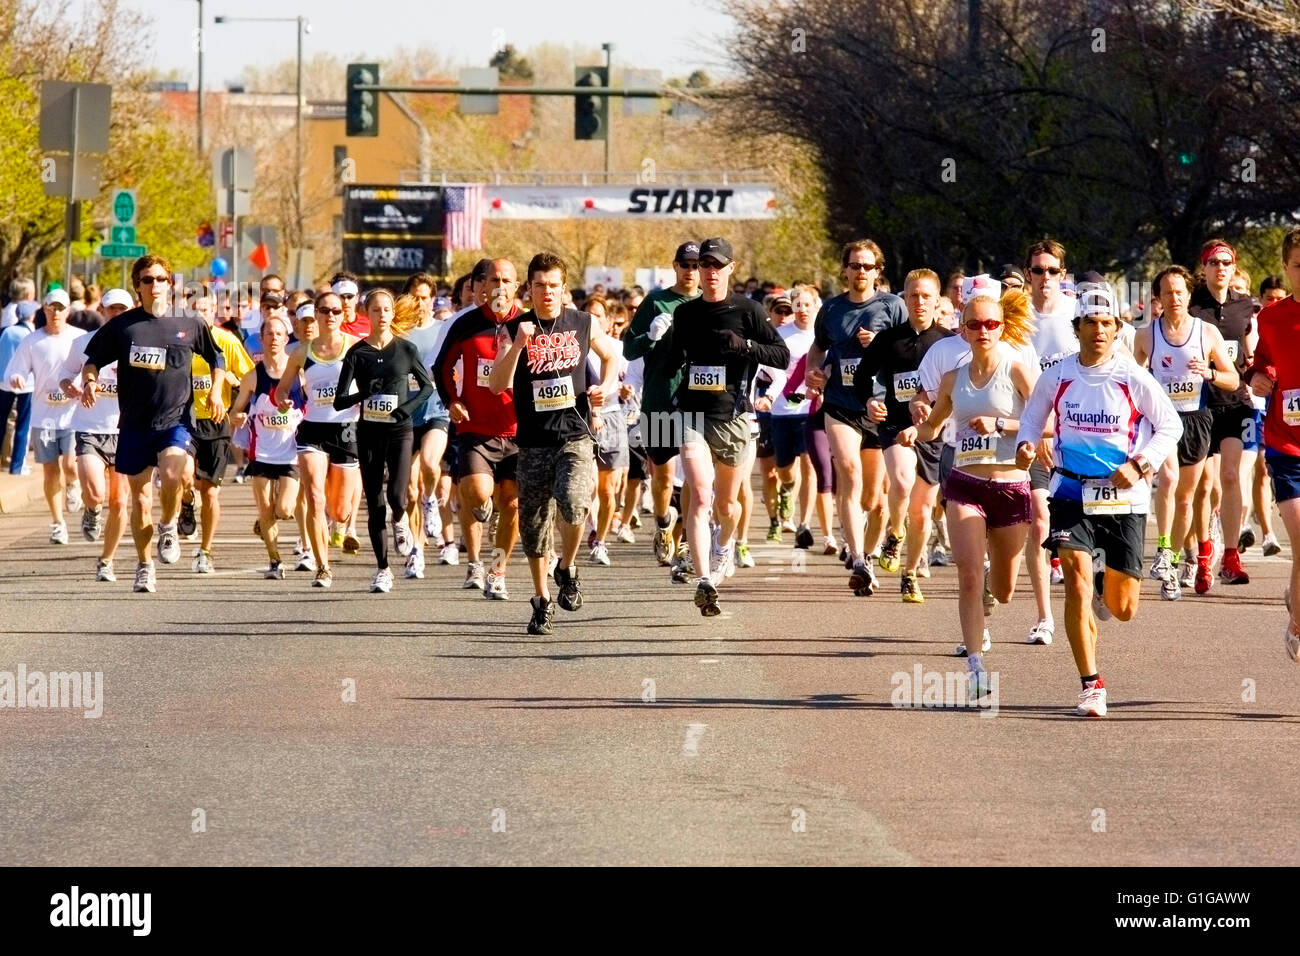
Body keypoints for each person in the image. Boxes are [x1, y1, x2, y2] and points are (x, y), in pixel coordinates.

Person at [1015, 288, 1181, 716]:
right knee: (1075, 579)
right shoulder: (1059, 375)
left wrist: (1141, 464)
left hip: (1124, 494)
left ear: (1116, 330)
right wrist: (1027, 443)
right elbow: (1033, 416)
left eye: (1108, 324)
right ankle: (1091, 684)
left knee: (1123, 609)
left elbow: (1170, 426)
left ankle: (1109, 584)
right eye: (1091, 323)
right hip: (1071, 491)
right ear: (1078, 329)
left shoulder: (1131, 376)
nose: (1100, 331)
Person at [898, 288, 1039, 694]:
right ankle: (976, 666)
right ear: (964, 329)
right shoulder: (951, 377)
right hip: (966, 484)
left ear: (1002, 328)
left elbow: (1045, 422)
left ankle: (995, 590)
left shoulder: (1016, 370)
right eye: (975, 324)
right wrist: (914, 428)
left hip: (1011, 486)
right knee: (969, 575)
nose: (983, 331)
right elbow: (934, 427)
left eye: (991, 324)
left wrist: (1003, 428)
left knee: (1005, 590)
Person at [489, 252, 621, 634]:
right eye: (539, 286)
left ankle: (567, 565)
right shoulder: (514, 327)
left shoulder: (582, 321)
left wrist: (603, 388)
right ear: (528, 289)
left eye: (553, 286)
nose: (546, 292)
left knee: (575, 501)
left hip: (575, 434)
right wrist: (517, 346)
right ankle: (542, 598)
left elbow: (611, 357)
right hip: (531, 441)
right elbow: (497, 385)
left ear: (564, 289)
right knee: (533, 527)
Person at [77, 255, 225, 593]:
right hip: (134, 425)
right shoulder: (123, 326)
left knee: (174, 473)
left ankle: (169, 524)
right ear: (137, 286)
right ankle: (145, 565)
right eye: (147, 280)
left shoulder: (189, 322)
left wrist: (216, 390)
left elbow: (216, 356)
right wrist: (89, 382)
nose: (154, 285)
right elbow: (93, 361)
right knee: (140, 499)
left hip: (175, 420)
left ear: (170, 284)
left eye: (160, 279)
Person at [663, 237, 790, 616]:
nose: (711, 272)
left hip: (734, 419)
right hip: (692, 415)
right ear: (698, 270)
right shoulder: (685, 314)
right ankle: (704, 581)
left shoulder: (748, 310)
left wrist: (745, 346)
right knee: (701, 496)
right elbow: (672, 363)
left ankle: (724, 547)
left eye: (718, 266)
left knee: (727, 504)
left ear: (730, 269)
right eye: (705, 265)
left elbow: (781, 356)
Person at [805, 240, 908, 595]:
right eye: (854, 265)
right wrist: (814, 373)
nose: (860, 272)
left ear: (878, 270)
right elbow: (817, 346)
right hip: (841, 404)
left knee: (876, 500)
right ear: (845, 270)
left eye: (867, 266)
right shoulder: (832, 309)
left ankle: (872, 548)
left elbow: (911, 350)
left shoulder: (893, 306)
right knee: (848, 471)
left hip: (879, 409)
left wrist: (880, 343)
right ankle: (859, 559)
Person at [1135, 265, 1238, 599]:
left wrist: (1208, 372)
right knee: (1167, 480)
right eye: (1167, 292)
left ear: (1188, 294)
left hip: (1196, 420)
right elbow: (1132, 378)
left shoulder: (1206, 333)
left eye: (1180, 291)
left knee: (1185, 499)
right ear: (1158, 297)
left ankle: (1173, 562)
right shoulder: (1146, 335)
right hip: (1162, 421)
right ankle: (1163, 549)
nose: (1175, 297)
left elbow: (1232, 379)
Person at [853, 269, 954, 603]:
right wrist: (869, 401)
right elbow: (861, 378)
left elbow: (957, 392)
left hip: (934, 430)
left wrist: (930, 417)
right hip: (895, 424)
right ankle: (895, 533)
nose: (920, 302)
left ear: (937, 300)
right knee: (900, 479)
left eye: (926, 296)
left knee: (923, 512)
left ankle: (910, 574)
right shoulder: (888, 339)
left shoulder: (947, 342)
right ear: (904, 298)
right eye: (913, 295)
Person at [433, 258, 524, 598]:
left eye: (507, 280)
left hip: (518, 431)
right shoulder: (466, 324)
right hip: (475, 429)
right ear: (481, 287)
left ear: (517, 286)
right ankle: (475, 555)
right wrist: (452, 400)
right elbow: (441, 366)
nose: (500, 286)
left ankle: (497, 570)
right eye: (493, 280)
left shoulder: (528, 326)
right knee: (477, 491)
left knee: (512, 505)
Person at [333, 289, 433, 593]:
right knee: (375, 500)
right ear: (368, 315)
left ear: (392, 313)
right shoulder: (357, 353)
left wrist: (407, 408)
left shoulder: (405, 349)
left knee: (397, 497)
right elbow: (339, 402)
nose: (382, 314)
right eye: (376, 310)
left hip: (400, 430)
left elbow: (427, 387)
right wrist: (365, 393)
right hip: (369, 432)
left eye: (387, 309)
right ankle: (383, 569)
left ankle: (400, 520)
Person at [623, 242, 702, 568]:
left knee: (695, 478)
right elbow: (629, 348)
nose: (691, 270)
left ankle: (684, 541)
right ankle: (662, 524)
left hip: (697, 401)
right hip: (659, 401)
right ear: (675, 266)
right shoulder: (656, 302)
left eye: (697, 265)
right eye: (685, 264)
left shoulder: (708, 302)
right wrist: (650, 337)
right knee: (664, 479)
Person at [274, 295, 361, 588]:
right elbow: (282, 388)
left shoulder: (355, 347)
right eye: (324, 311)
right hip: (313, 429)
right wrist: (283, 399)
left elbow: (376, 380)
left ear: (343, 315)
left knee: (339, 510)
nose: (330, 315)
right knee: (314, 496)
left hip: (346, 429)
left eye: (336, 310)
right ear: (316, 316)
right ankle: (322, 566)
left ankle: (341, 523)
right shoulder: (301, 352)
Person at [1186, 240, 1258, 586]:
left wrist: (1258, 367)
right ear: (1204, 268)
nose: (1221, 268)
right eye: (1214, 262)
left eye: (1227, 262)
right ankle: (1203, 553)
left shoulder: (1245, 306)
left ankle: (1231, 556)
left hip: (1235, 402)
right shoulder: (1191, 307)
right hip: (1200, 405)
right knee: (1205, 485)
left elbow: (1252, 344)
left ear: (1234, 267)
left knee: (1230, 476)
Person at [1243, 227, 1300, 660]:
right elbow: (1261, 365)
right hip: (1286, 447)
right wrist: (1256, 379)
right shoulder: (1272, 317)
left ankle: (1296, 612)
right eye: (1299, 265)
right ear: (1285, 266)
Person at [58, 288, 133, 580]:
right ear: (102, 310)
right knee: (95, 493)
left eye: (122, 309)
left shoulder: (138, 344)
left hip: (126, 430)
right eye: (111, 309)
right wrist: (69, 386)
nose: (116, 314)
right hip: (90, 427)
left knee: (119, 501)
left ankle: (107, 560)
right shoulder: (83, 343)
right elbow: (64, 375)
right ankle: (91, 509)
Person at [6, 288, 86, 544]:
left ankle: (74, 485)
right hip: (46, 419)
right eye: (52, 308)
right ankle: (57, 523)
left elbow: (94, 369)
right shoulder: (33, 341)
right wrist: (16, 377)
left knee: (71, 465)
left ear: (68, 311)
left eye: (61, 308)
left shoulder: (79, 338)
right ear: (45, 310)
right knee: (51, 471)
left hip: (74, 415)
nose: (56, 313)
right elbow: (14, 370)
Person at [183, 291, 254, 574]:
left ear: (215, 311)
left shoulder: (226, 341)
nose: (201, 313)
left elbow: (250, 376)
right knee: (183, 477)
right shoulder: (179, 341)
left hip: (216, 422)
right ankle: (186, 501)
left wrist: (238, 406)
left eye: (205, 308)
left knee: (210, 492)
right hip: (182, 420)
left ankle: (205, 551)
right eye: (195, 308)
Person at [231, 312, 305, 579]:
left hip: (290, 452)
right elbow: (235, 411)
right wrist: (237, 417)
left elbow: (312, 405)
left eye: (278, 334)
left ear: (287, 338)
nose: (273, 338)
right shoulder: (252, 376)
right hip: (261, 452)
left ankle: (266, 521)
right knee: (264, 508)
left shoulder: (298, 372)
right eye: (268, 334)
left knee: (284, 509)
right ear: (260, 339)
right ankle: (275, 561)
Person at [1240, 275, 1288, 557]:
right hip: (1255, 404)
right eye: (1270, 298)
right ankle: (1252, 525)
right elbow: (1254, 362)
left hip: (1281, 407)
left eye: (1280, 297)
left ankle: (1268, 530)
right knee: (1257, 468)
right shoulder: (1259, 322)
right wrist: (1257, 374)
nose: (1275, 302)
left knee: (1262, 472)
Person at [0, 300, 38, 473]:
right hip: (27, 384)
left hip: (3, 382)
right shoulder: (31, 334)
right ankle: (17, 466)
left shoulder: (6, 331)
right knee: (23, 425)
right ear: (31, 315)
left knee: (2, 423)